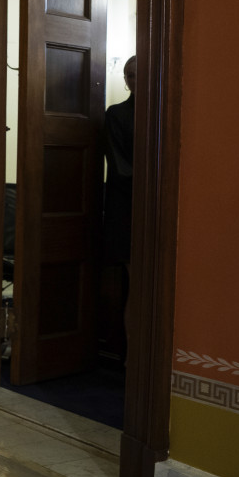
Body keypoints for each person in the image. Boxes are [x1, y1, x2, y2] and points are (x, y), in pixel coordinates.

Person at [101, 55, 136, 359]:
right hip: (127, 209)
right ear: (125, 80)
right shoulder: (116, 114)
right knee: (137, 285)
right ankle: (134, 360)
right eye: (130, 75)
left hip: (154, 208)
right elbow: (120, 168)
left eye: (140, 74)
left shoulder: (163, 111)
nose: (135, 80)